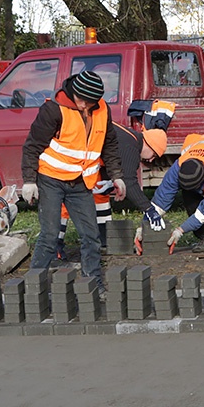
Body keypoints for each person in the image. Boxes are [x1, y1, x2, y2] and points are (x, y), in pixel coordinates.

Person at [20, 71, 126, 290]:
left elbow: (110, 144)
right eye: (81, 100)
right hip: (51, 180)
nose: (84, 105)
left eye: (90, 102)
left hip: (81, 184)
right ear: (74, 92)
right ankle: (33, 288)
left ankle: (93, 285)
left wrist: (117, 176)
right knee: (50, 236)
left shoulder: (102, 110)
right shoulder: (53, 110)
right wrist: (30, 180)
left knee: (91, 236)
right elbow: (32, 146)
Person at [54, 124, 169, 258]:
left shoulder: (129, 138)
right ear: (149, 145)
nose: (150, 159)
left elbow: (108, 158)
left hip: (84, 154)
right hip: (71, 154)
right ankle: (54, 246)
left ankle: (103, 240)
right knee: (65, 203)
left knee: (101, 196)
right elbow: (130, 182)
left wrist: (108, 181)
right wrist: (148, 209)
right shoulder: (131, 147)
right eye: (154, 155)